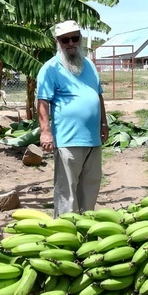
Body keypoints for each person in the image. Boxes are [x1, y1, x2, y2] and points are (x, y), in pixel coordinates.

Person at [37, 20, 109, 217]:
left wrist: (104, 123)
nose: (70, 43)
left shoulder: (90, 66)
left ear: (80, 39)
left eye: (74, 38)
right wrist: (45, 132)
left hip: (93, 140)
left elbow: (98, 96)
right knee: (67, 192)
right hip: (68, 141)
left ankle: (86, 229)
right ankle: (65, 233)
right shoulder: (50, 69)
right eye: (65, 40)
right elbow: (43, 102)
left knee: (91, 187)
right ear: (57, 42)